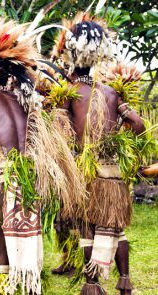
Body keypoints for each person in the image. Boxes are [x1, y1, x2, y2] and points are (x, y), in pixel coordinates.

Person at [0, 18, 82, 294]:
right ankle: (26, 285)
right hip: (31, 179)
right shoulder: (26, 103)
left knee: (1, 247)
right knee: (26, 243)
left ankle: (5, 287)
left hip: (1, 181)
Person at [51, 12, 147, 295]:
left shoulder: (67, 93)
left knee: (87, 229)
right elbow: (139, 125)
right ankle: (125, 283)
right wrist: (121, 143)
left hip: (86, 172)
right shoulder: (110, 92)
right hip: (114, 171)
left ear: (71, 58)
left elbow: (61, 137)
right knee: (117, 227)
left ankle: (92, 284)